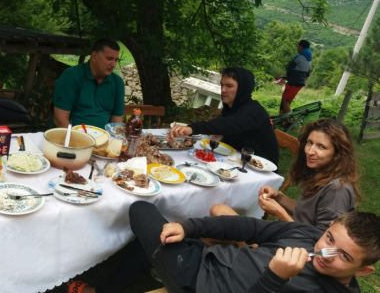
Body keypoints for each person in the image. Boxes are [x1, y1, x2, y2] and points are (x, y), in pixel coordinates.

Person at [69, 202, 379, 292]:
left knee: (140, 213)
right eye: (329, 239)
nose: (327, 252)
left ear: (364, 270)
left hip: (195, 281)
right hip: (203, 257)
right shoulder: (306, 234)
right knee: (147, 214)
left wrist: (275, 278)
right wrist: (189, 226)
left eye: (345, 256)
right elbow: (249, 227)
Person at [211, 119, 360, 232]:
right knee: (218, 213)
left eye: (321, 147)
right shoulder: (323, 174)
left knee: (220, 215)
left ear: (337, 154)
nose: (310, 151)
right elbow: (305, 214)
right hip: (285, 234)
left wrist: (279, 212)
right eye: (310, 143)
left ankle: (248, 252)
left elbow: (320, 242)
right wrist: (279, 197)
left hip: (292, 249)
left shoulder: (337, 190)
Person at [168, 66, 279, 166]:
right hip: (237, 159)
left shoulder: (254, 111)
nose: (223, 90)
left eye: (229, 86)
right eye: (222, 85)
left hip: (260, 169)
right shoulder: (231, 108)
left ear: (242, 89)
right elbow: (222, 128)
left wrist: (192, 128)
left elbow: (228, 124)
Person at [53, 38, 124, 129]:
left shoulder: (117, 82)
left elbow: (117, 121)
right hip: (72, 137)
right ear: (94, 56)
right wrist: (78, 140)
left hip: (104, 138)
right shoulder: (71, 76)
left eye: (116, 60)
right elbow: (60, 120)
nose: (113, 64)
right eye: (109, 59)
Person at [280, 39, 312, 114]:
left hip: (293, 82)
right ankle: (282, 118)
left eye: (298, 46)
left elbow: (289, 69)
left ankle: (289, 118)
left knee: (284, 100)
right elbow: (307, 74)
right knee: (289, 100)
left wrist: (285, 78)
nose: (297, 47)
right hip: (300, 83)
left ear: (301, 47)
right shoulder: (309, 60)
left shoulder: (299, 57)